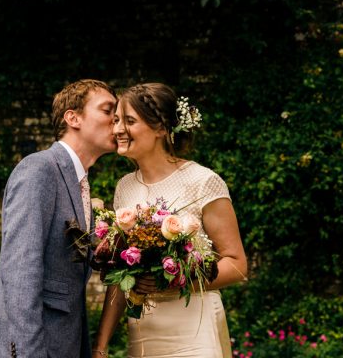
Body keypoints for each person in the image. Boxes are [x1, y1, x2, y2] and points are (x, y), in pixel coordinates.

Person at [92, 83, 247, 358]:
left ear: (161, 128)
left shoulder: (202, 181)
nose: (117, 130)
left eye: (129, 121)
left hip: (194, 329)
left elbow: (237, 265)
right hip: (143, 331)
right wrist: (101, 346)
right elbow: (120, 276)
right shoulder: (124, 187)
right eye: (116, 120)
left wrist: (179, 280)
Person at [0, 79, 117, 358]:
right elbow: (19, 273)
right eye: (107, 110)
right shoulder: (39, 170)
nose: (117, 120)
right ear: (73, 118)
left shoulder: (78, 183)